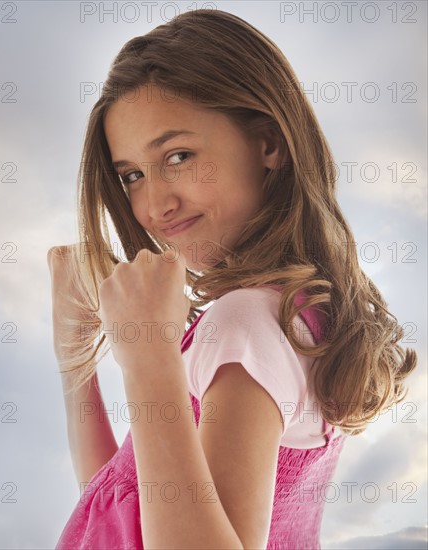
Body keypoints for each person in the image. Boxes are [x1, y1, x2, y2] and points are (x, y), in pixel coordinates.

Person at [47, 9, 417, 549]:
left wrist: (148, 356)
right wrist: (74, 359)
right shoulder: (288, 314)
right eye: (132, 175)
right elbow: (125, 511)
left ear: (268, 142)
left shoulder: (243, 324)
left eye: (178, 156)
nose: (154, 204)